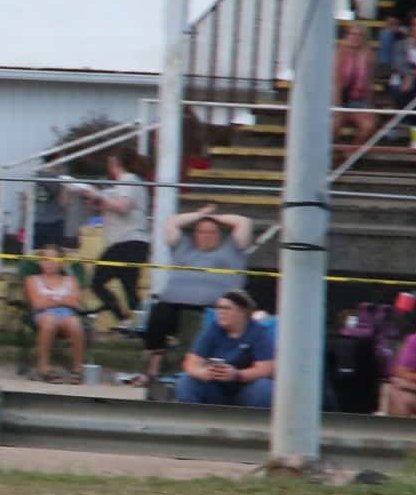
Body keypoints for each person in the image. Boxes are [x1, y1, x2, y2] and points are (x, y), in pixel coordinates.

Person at [139, 204, 252, 384]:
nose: (206, 236)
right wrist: (200, 214)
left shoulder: (232, 248)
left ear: (219, 234)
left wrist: (215, 217)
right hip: (173, 302)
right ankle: (152, 371)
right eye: (202, 232)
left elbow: (244, 222)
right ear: (195, 234)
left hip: (215, 305)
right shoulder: (183, 246)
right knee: (159, 316)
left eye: (211, 232)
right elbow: (171, 222)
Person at [81, 150, 152, 329]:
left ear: (116, 164)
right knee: (129, 288)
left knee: (97, 282)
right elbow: (109, 203)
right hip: (135, 243)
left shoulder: (129, 180)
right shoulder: (124, 185)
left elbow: (122, 207)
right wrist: (95, 200)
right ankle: (142, 327)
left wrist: (98, 196)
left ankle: (124, 320)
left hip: (127, 242)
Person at [176, 289, 275, 408]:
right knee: (186, 381)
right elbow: (191, 363)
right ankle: (194, 418)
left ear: (242, 311)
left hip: (245, 390)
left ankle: (254, 419)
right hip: (216, 388)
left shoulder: (258, 332)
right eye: (218, 308)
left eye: (226, 308)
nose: (220, 312)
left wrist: (237, 375)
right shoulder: (213, 329)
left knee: (265, 387)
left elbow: (266, 369)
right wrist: (204, 373)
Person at [25, 242, 90, 383]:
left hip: (67, 314)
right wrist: (62, 299)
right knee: (50, 320)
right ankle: (43, 368)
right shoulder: (32, 280)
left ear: (61, 263)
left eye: (54, 259)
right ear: (40, 262)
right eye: (46, 259)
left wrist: (51, 299)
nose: (50, 263)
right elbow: (38, 304)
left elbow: (75, 303)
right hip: (43, 314)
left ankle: (77, 370)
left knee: (75, 323)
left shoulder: (71, 280)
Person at [334, 25, 380, 147]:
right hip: (340, 100)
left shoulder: (369, 55)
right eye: (352, 34)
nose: (355, 37)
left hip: (359, 101)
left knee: (369, 125)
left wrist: (370, 107)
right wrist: (337, 107)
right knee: (332, 126)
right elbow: (336, 82)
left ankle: (351, 153)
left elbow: (369, 82)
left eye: (359, 35)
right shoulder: (339, 52)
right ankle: (336, 152)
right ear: (347, 36)